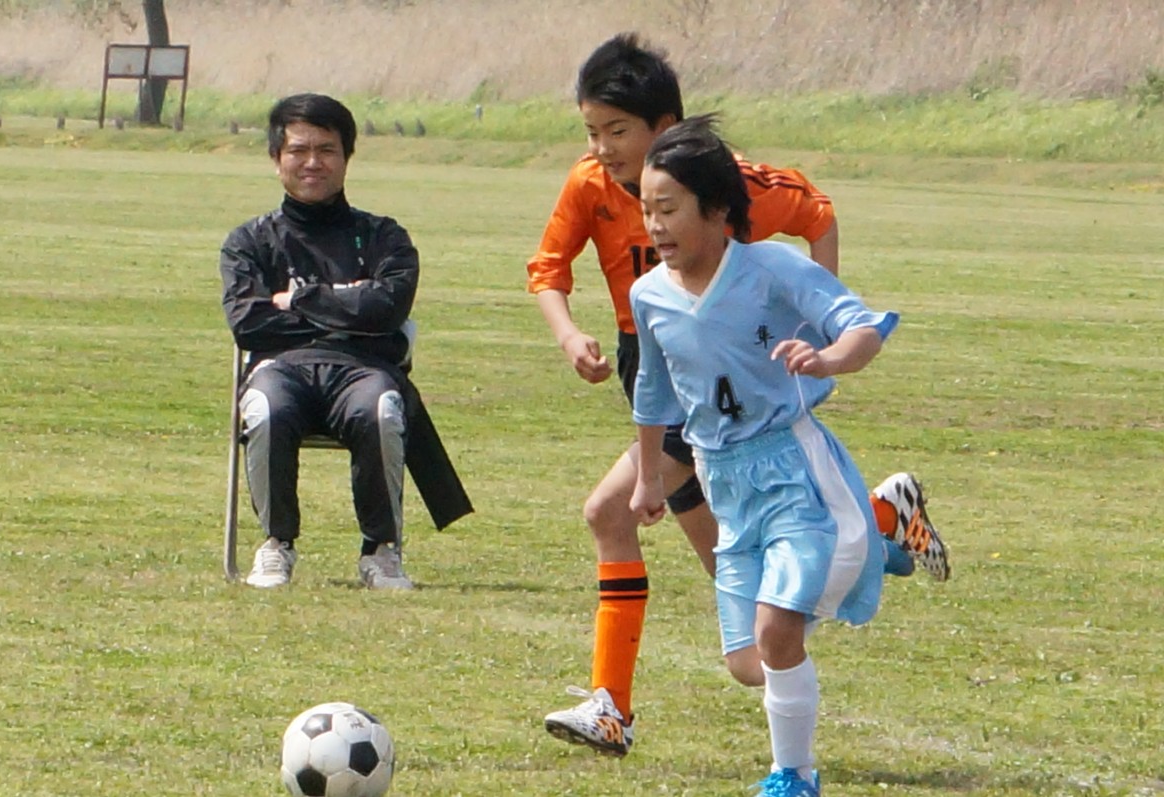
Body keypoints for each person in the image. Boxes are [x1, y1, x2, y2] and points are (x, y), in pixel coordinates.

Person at [528, 33, 948, 756]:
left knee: (611, 514)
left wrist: (807, 334)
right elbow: (547, 267)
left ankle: (612, 705)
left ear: (665, 128)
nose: (601, 148)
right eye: (590, 131)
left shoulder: (730, 185)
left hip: (726, 393)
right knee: (746, 632)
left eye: (616, 131)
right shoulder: (590, 185)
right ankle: (879, 522)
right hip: (660, 371)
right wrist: (568, 335)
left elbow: (817, 215)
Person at [629, 114, 896, 797]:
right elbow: (653, 392)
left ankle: (793, 776)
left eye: (669, 209)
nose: (655, 226)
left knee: (778, 629)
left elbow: (863, 328)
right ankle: (885, 529)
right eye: (646, 209)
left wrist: (827, 357)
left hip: (793, 471)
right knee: (750, 661)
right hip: (724, 485)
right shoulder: (649, 295)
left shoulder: (772, 268)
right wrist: (647, 477)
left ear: (718, 210)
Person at [220, 93, 471, 590]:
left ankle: (381, 552)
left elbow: (388, 309)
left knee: (381, 410)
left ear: (346, 157)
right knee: (266, 410)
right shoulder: (248, 242)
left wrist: (299, 299)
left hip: (364, 371)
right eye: (298, 150)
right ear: (276, 158)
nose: (312, 162)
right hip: (279, 370)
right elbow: (249, 324)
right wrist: (348, 306)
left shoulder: (385, 237)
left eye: (326, 150)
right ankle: (276, 545)